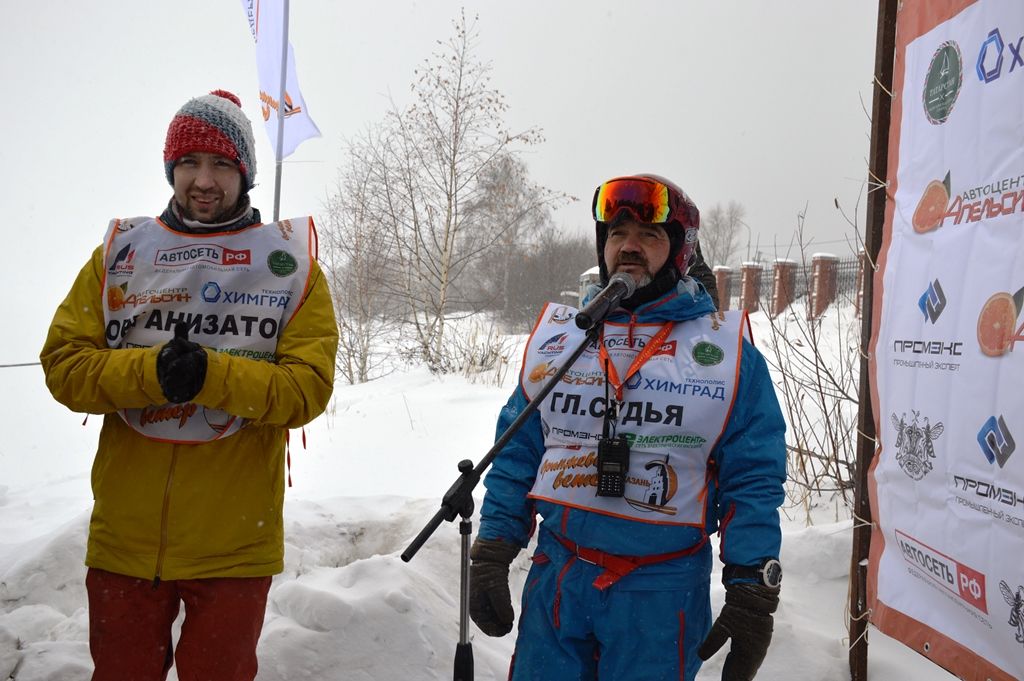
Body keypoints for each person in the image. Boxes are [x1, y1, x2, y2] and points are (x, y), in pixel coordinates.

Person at [39, 89, 338, 681]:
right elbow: (64, 365)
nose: (204, 180)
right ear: (170, 168)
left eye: (222, 164)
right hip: (125, 541)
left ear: (245, 172)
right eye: (190, 163)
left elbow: (308, 389)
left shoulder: (289, 264)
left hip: (233, 548)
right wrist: (149, 374)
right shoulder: (122, 253)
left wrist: (212, 375)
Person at [469, 174, 786, 681]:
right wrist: (493, 544)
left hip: (660, 592)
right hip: (559, 579)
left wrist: (752, 584)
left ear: (679, 252)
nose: (628, 247)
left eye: (649, 235)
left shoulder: (728, 357)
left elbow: (754, 479)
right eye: (617, 234)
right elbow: (518, 450)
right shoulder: (565, 341)